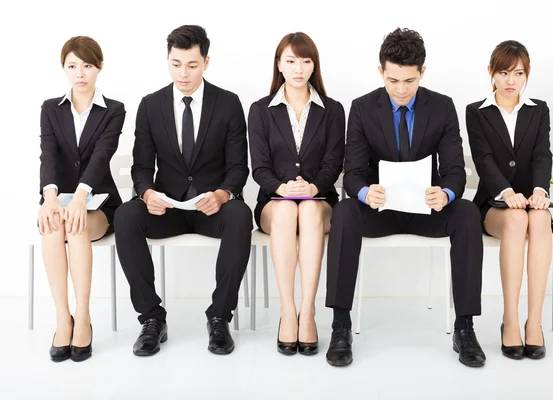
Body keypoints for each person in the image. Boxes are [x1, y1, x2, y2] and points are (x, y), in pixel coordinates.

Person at [324, 28, 486, 368]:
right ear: (380, 70)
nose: (400, 89)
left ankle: (465, 327)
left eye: (409, 81)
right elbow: (352, 173)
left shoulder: (442, 107)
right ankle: (341, 326)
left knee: (468, 214)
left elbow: (455, 169)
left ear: (422, 73)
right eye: (393, 79)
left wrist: (446, 193)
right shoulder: (362, 108)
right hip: (379, 211)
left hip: (427, 209)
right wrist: (367, 193)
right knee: (343, 213)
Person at [114, 25, 252, 357]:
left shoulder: (229, 103)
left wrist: (222, 195)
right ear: (168, 60)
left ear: (206, 61)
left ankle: (220, 316)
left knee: (240, 216)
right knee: (125, 216)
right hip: (168, 207)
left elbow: (238, 168)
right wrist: (147, 194)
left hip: (213, 207)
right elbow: (142, 167)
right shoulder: (150, 105)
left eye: (191, 64)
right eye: (176, 64)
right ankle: (151, 318)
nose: (183, 73)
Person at [248, 32, 345, 356]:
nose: (298, 68)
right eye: (290, 60)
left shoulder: (332, 109)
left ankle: (309, 311)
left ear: (313, 64)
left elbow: (334, 163)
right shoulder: (260, 110)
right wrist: (283, 188)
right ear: (279, 64)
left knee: (308, 210)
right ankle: (288, 311)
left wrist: (314, 188)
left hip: (320, 199)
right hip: (275, 201)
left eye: (305, 61)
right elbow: (259, 167)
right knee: (290, 209)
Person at [38, 36, 126, 362]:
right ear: (64, 68)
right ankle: (63, 319)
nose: (80, 73)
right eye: (72, 66)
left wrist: (80, 196)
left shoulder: (113, 110)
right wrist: (49, 197)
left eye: (87, 65)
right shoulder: (50, 109)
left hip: (99, 204)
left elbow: (102, 156)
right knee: (52, 227)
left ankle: (84, 317)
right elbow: (48, 155)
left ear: (99, 67)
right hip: (57, 203)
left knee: (74, 226)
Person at [466, 40, 552, 360]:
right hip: (494, 203)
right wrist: (506, 192)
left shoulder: (538, 109)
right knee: (516, 218)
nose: (511, 80)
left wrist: (540, 191)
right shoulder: (476, 112)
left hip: (533, 202)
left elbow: (543, 154)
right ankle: (511, 321)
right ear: (491, 73)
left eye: (518, 73)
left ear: (526, 74)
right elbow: (483, 159)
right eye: (503, 72)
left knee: (539, 218)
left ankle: (535, 323)